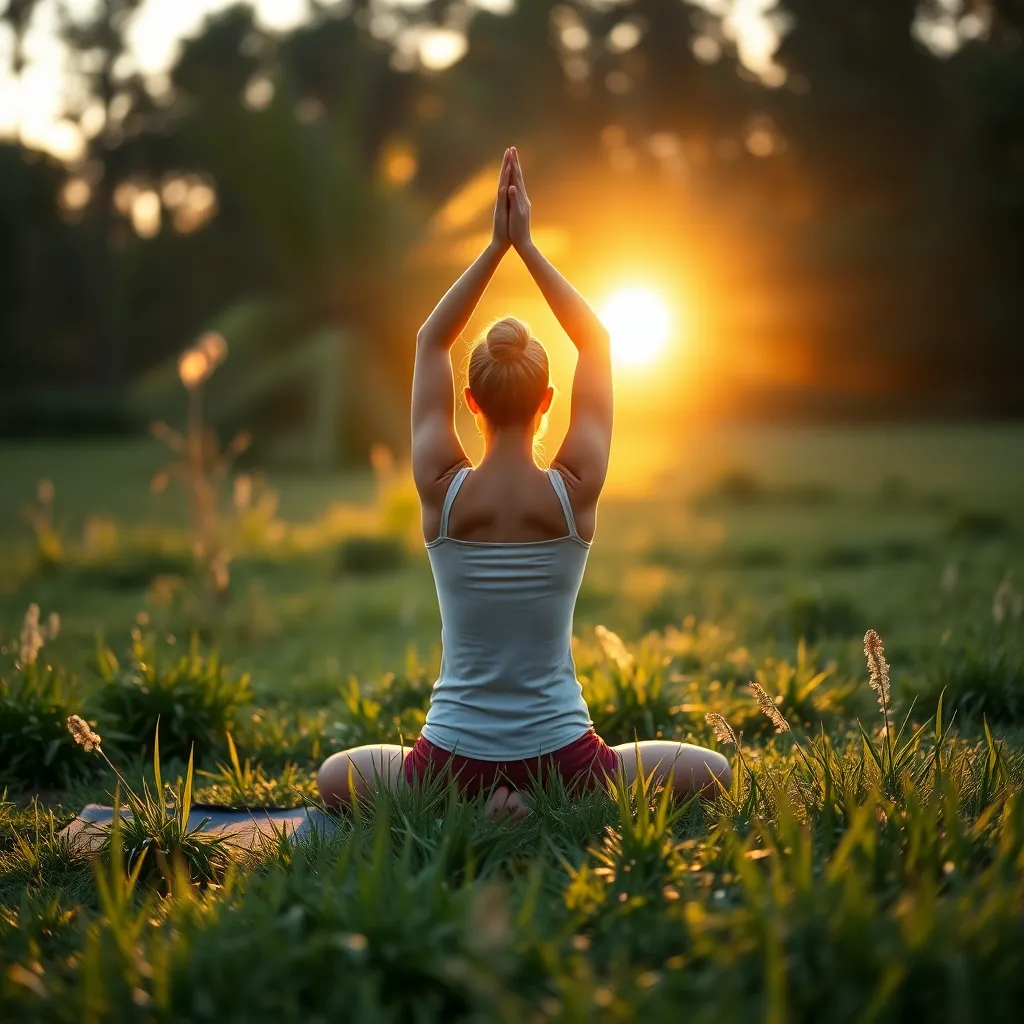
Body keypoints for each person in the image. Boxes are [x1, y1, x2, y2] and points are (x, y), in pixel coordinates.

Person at [317, 147, 731, 820]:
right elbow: (597, 343)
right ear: (546, 402)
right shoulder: (575, 491)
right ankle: (537, 804)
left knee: (337, 775)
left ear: (471, 405)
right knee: (712, 769)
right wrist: (529, 250)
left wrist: (493, 250)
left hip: (450, 762)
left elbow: (429, 342)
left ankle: (481, 806)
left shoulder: (441, 490)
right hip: (563, 758)